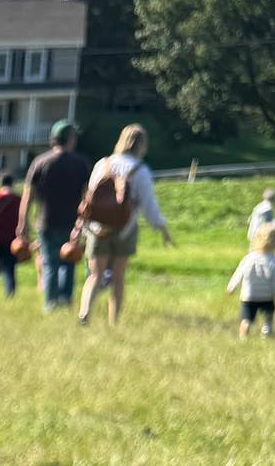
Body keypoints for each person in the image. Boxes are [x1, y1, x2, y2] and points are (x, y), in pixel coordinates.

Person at [77, 124, 173, 327]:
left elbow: (91, 197)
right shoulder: (140, 170)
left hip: (98, 228)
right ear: (142, 145)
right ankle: (114, 321)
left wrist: (84, 227)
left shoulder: (103, 164)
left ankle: (85, 313)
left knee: (95, 275)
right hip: (125, 228)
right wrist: (162, 229)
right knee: (118, 277)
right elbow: (149, 206)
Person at [17, 121, 90, 313]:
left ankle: (50, 304)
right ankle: (65, 300)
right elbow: (87, 197)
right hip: (72, 224)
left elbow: (27, 196)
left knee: (49, 263)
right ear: (70, 139)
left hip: (45, 222)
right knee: (69, 261)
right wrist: (85, 222)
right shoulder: (80, 163)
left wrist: (22, 223)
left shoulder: (40, 162)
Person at [226, 222, 275, 339]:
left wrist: (231, 288)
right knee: (269, 315)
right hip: (267, 296)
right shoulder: (273, 261)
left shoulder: (249, 258)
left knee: (246, 319)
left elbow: (238, 274)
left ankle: (243, 337)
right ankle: (266, 332)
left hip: (249, 296)